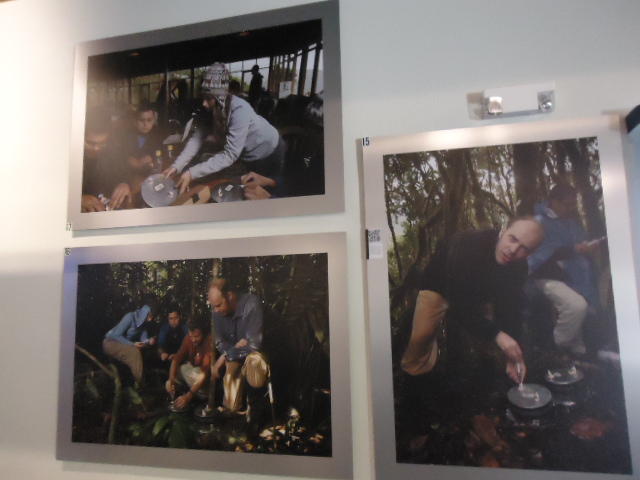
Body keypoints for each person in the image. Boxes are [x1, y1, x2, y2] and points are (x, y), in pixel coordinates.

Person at [401, 217, 545, 383]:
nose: (513, 250)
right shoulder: (470, 244)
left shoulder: (519, 267)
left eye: (524, 249)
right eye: (512, 239)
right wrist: (497, 335)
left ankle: (478, 369)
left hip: (478, 295)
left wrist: (512, 356)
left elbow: (511, 310)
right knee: (421, 336)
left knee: (486, 338)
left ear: (530, 253)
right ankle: (414, 376)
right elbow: (459, 304)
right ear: (503, 230)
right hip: (439, 285)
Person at [163, 63, 286, 198]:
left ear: (219, 96)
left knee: (265, 193)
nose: (204, 103)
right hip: (246, 154)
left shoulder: (239, 109)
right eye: (203, 97)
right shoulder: (210, 109)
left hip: (269, 151)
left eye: (208, 98)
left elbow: (230, 154)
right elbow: (196, 139)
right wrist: (177, 166)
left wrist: (191, 173)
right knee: (248, 189)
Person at [528, 184, 603, 355]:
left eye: (573, 205)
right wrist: (575, 249)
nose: (570, 209)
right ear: (554, 201)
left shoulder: (570, 222)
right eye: (567, 204)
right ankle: (554, 347)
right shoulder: (538, 222)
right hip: (546, 275)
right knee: (576, 306)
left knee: (580, 318)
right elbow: (540, 254)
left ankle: (577, 354)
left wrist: (588, 248)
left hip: (572, 275)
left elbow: (579, 244)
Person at [208, 278, 270, 413]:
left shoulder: (251, 304)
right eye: (213, 306)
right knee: (231, 407)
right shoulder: (216, 312)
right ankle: (233, 411)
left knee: (255, 371)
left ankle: (256, 409)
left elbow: (254, 345)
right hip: (234, 356)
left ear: (230, 296)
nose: (216, 310)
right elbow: (220, 342)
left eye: (219, 305)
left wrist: (226, 355)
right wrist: (233, 349)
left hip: (254, 357)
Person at [81, 109, 132, 211]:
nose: (96, 148)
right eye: (90, 143)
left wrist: (124, 183)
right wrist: (79, 199)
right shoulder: (65, 156)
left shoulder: (112, 150)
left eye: (102, 143)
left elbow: (124, 172)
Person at [102, 295, 158, 384]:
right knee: (134, 352)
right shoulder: (130, 317)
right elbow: (116, 335)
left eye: (152, 317)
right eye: (149, 316)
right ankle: (139, 383)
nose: (150, 319)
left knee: (142, 351)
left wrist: (149, 341)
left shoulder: (143, 324)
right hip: (110, 343)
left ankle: (136, 381)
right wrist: (133, 344)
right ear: (145, 312)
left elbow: (144, 339)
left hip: (123, 345)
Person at [165, 317, 213, 410]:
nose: (193, 339)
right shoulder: (188, 339)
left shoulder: (209, 341)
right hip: (193, 374)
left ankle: (197, 395)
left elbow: (204, 374)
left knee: (193, 371)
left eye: (196, 336)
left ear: (203, 333)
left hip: (205, 380)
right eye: (191, 336)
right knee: (178, 370)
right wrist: (170, 379)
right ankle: (178, 391)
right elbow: (176, 359)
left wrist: (188, 396)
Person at [121, 102, 164, 176]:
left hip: (150, 173)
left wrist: (152, 157)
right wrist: (129, 160)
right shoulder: (126, 136)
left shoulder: (158, 137)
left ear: (154, 121)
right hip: (129, 174)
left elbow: (161, 154)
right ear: (134, 121)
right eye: (141, 120)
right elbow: (122, 154)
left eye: (149, 120)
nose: (145, 124)